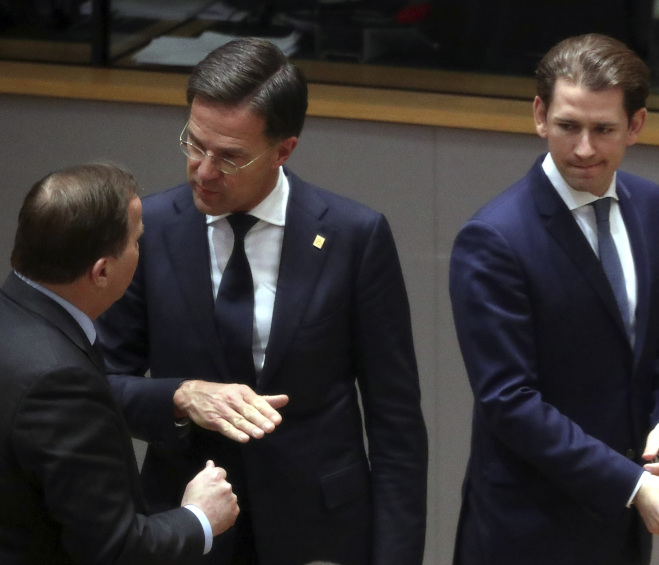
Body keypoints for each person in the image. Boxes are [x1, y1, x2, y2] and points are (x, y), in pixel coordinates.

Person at [96, 37, 428, 565]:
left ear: (283, 150)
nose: (204, 170)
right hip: (187, 524)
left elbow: (396, 422)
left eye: (229, 157)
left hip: (318, 533)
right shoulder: (149, 230)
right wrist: (180, 396)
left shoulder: (353, 237)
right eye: (194, 144)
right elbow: (100, 386)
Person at [449, 34, 659, 564]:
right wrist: (632, 484)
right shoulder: (495, 238)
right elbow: (509, 401)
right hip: (529, 531)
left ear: (636, 125)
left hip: (622, 529)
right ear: (540, 116)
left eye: (603, 129)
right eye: (568, 126)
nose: (584, 149)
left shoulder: (649, 205)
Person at [0, 163, 240, 564]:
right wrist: (199, 517)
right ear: (102, 271)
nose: (141, 251)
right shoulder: (61, 381)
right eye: (136, 242)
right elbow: (114, 550)